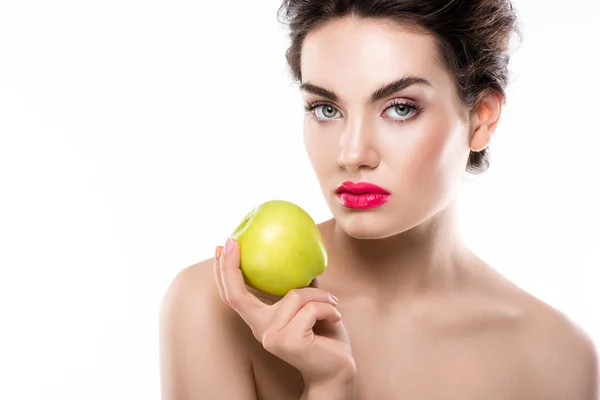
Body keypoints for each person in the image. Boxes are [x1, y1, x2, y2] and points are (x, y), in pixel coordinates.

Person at [159, 0, 599, 399]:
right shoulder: (215, 308)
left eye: (400, 108)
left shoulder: (559, 360)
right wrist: (328, 386)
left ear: (482, 118)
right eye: (326, 109)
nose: (352, 154)